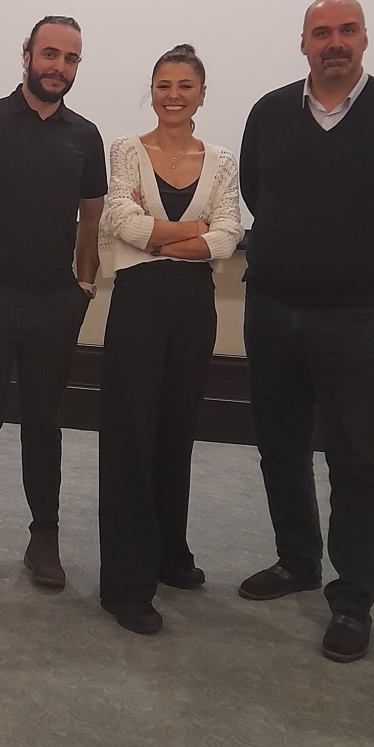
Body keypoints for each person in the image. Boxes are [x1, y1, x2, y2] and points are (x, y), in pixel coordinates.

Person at [238, 0, 374, 663]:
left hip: (359, 316)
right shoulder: (270, 112)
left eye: (346, 30)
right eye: (321, 32)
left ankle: (354, 596)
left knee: (356, 459)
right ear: (303, 43)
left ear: (364, 39)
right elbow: (255, 191)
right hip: (272, 306)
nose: (334, 42)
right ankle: (298, 559)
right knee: (279, 445)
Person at [0, 16, 107, 596]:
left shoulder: (85, 135)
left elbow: (90, 218)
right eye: (49, 54)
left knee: (44, 426)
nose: (58, 67)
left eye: (70, 58)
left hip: (52, 305)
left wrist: (83, 286)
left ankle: (44, 539)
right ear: (27, 56)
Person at [97, 46, 242, 635]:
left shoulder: (223, 161)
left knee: (176, 431)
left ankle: (168, 554)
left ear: (202, 94)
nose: (173, 95)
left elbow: (229, 236)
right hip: (138, 303)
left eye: (185, 85)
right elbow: (120, 223)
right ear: (152, 92)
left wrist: (160, 237)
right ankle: (125, 584)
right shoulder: (126, 151)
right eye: (163, 85)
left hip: (192, 307)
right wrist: (193, 231)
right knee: (130, 436)